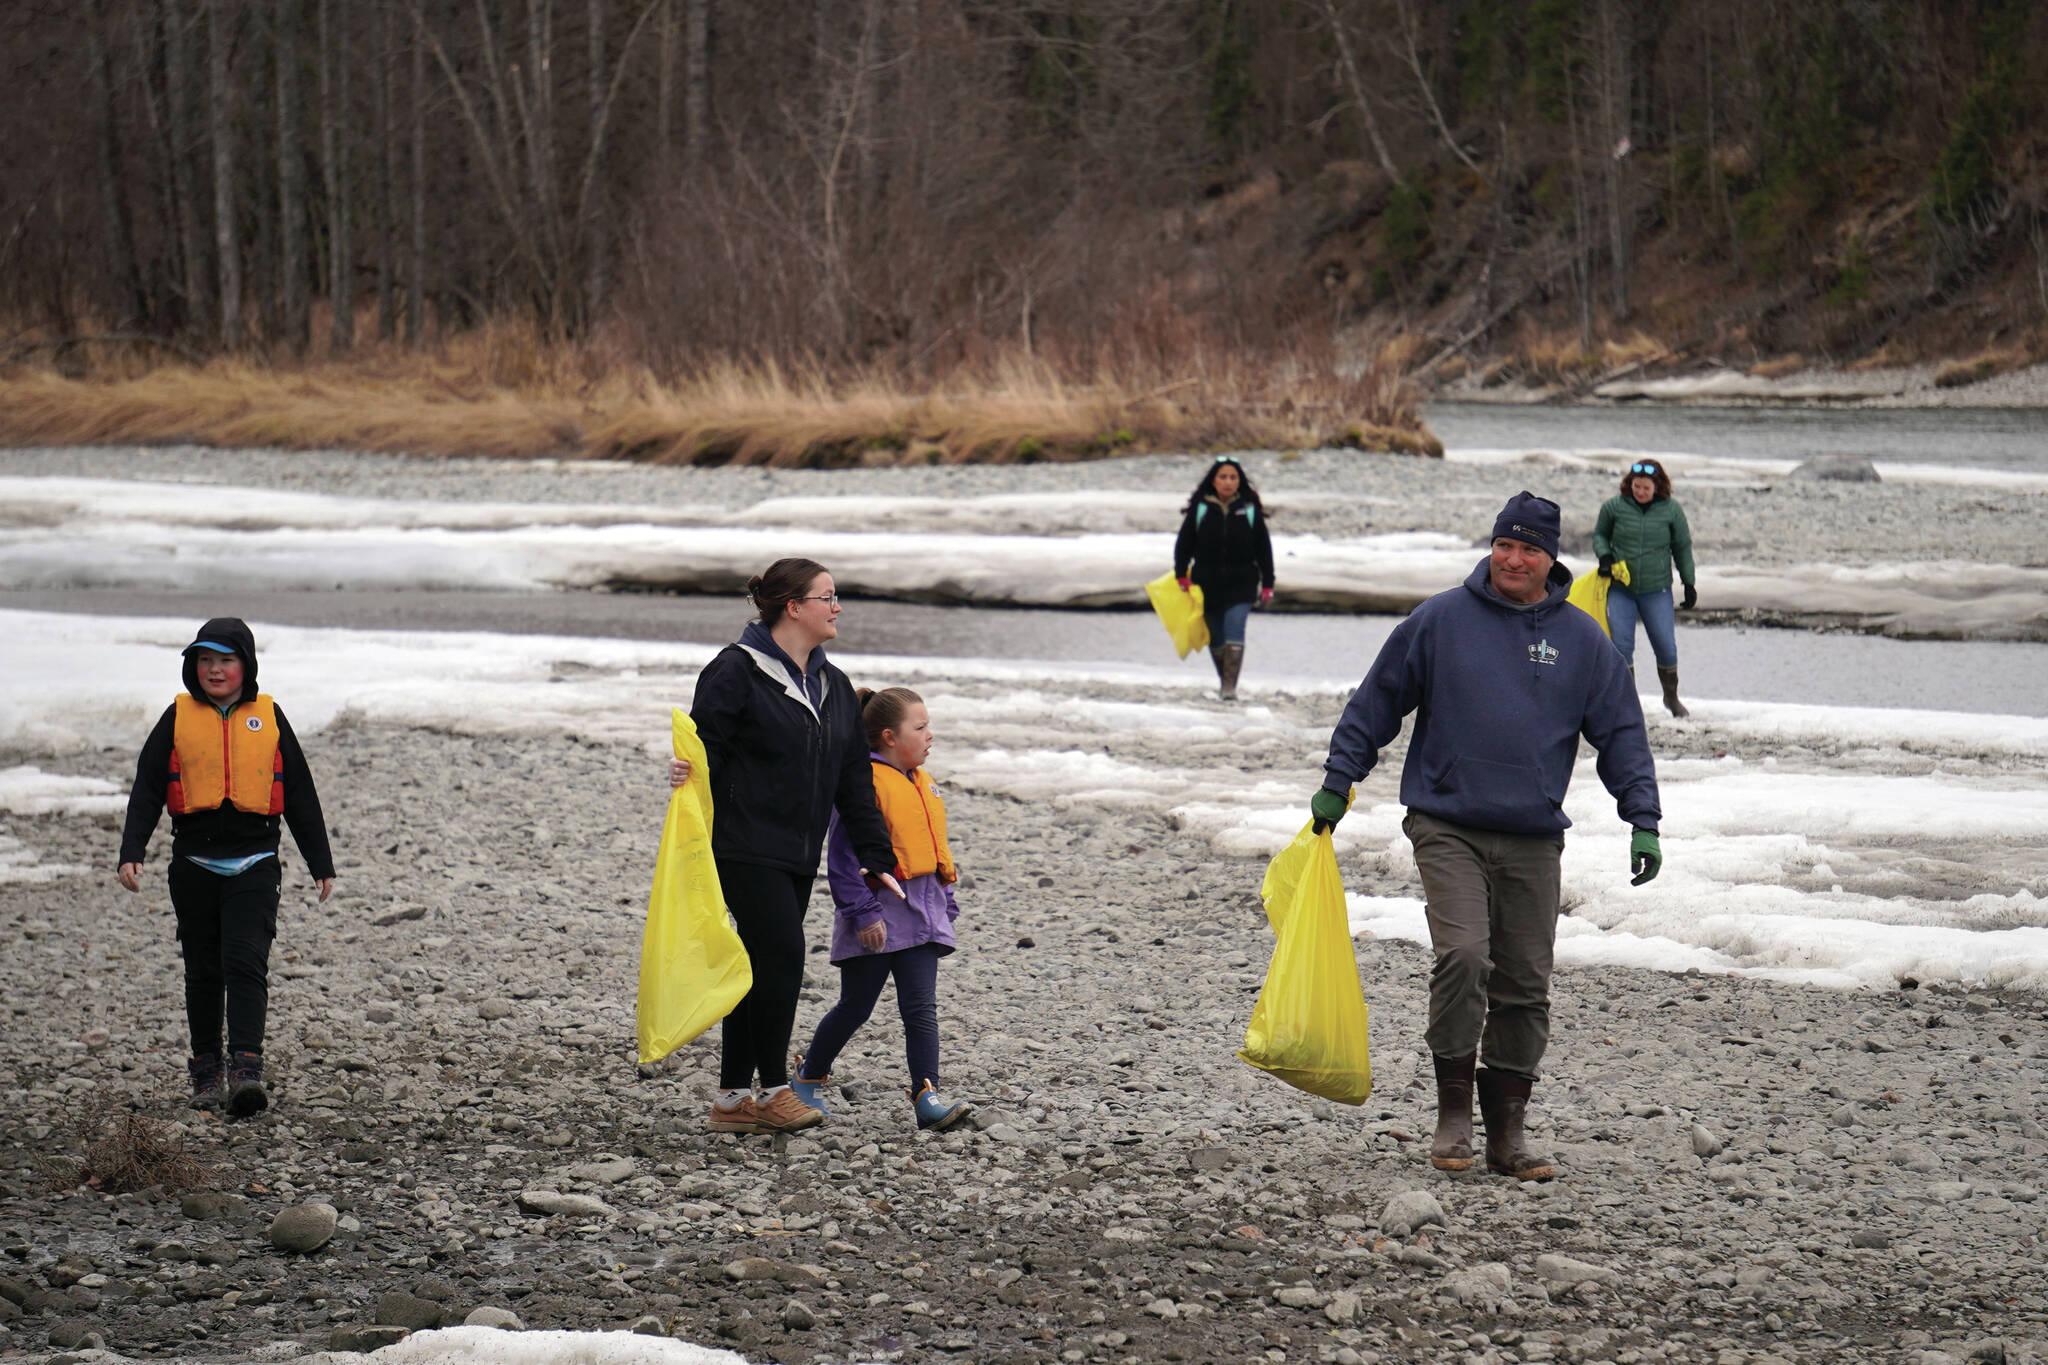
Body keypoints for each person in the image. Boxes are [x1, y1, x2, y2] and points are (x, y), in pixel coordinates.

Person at [1311, 493, 1662, 1181]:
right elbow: (1377, 699)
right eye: (1505, 544)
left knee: (1526, 982)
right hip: (1446, 821)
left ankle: (1508, 1130)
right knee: (1466, 954)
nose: (1513, 558)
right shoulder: (1441, 619)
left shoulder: (1583, 641)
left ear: (1551, 558)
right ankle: (1451, 1111)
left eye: (1529, 548)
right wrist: (1338, 778)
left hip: (1532, 834)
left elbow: (1621, 731)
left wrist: (1642, 818)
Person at [677, 558, 901, 1135]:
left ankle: (731, 1101)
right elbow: (707, 754)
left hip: (798, 852)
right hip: (742, 843)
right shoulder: (736, 670)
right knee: (782, 957)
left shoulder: (834, 685)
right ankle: (775, 1089)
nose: (838, 607)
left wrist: (877, 856)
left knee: (757, 964)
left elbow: (854, 779)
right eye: (827, 597)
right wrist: (687, 776)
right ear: (792, 607)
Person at [117, 618, 335, 1118]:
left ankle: (246, 1070)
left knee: (245, 963)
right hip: (193, 865)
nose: (214, 669)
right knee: (203, 970)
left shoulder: (269, 716)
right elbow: (147, 789)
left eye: (226, 660)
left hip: (256, 864)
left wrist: (320, 863)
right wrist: (132, 851)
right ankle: (206, 1071)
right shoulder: (176, 718)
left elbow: (300, 795)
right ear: (193, 666)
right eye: (205, 660)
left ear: (246, 665)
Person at [788, 687, 974, 1132]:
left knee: (921, 1007)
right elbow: (843, 860)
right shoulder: (865, 784)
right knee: (856, 1006)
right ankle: (808, 1076)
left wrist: (945, 900)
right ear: (889, 737)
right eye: (920, 727)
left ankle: (926, 1095)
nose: (930, 734)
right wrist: (864, 911)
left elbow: (930, 852)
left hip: (921, 918)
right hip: (876, 919)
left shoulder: (923, 782)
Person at [1592, 457, 1697, 717]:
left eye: (1646, 488)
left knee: (1665, 645)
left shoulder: (1671, 510)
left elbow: (1682, 547)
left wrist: (1689, 583)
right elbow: (1600, 535)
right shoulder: (1614, 507)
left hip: (1656, 589)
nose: (1640, 492)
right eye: (1636, 486)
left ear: (1657, 487)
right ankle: (1627, 704)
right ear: (1630, 484)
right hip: (1621, 588)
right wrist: (1605, 556)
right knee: (1621, 646)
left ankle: (1671, 699)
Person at [1172, 456, 1275, 701]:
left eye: (1233, 477)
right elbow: (1184, 544)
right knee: (1216, 638)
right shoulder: (1201, 508)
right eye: (1223, 477)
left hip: (1243, 584)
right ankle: (1225, 683)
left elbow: (1264, 550)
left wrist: (1268, 583)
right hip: (1206, 586)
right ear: (1214, 481)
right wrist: (1180, 575)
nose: (1228, 482)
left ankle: (1229, 689)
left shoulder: (1249, 510)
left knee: (1234, 628)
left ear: (1239, 481)